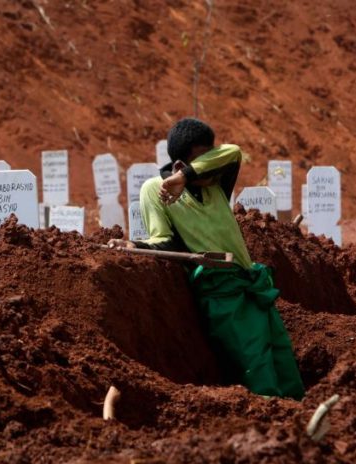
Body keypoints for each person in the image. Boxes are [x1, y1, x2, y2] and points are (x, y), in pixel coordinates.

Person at [108, 118, 304, 399]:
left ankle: (299, 415)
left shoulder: (215, 182)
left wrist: (184, 176)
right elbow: (164, 240)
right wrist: (132, 244)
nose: (211, 164)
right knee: (255, 363)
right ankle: (274, 422)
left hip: (252, 282)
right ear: (179, 161)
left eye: (211, 157)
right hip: (220, 289)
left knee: (282, 358)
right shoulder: (155, 189)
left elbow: (233, 152)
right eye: (203, 158)